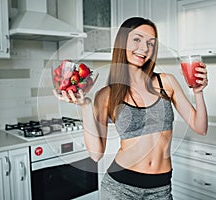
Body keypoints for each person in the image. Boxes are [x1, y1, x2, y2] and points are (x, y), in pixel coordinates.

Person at [56, 17, 208, 200]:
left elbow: (200, 128)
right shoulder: (106, 95)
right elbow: (96, 154)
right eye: (137, 39)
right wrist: (85, 106)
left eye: (150, 43)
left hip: (161, 189)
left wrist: (198, 92)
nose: (144, 48)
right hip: (120, 188)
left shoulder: (166, 82)